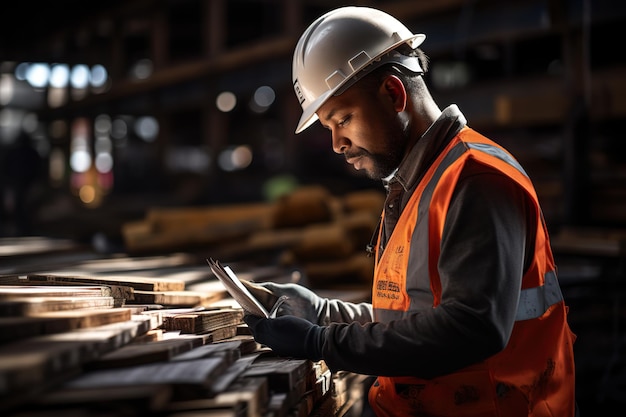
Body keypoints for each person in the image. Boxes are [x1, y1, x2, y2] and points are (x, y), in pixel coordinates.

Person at [241, 6, 577, 417]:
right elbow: (414, 317)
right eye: (329, 127)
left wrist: (319, 343)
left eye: (343, 118)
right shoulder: (419, 182)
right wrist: (322, 313)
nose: (336, 143)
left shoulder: (476, 178)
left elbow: (470, 328)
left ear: (394, 94)